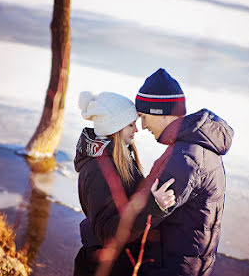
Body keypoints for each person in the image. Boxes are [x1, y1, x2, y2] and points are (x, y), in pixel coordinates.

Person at [135, 68, 234, 276]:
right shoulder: (197, 146)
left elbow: (145, 219)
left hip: (173, 267)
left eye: (144, 117)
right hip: (188, 262)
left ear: (160, 113)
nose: (142, 126)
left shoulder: (185, 157)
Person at [73, 91, 176, 276]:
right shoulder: (99, 169)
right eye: (130, 125)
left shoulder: (119, 157)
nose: (136, 130)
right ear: (114, 128)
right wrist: (152, 207)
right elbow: (107, 232)